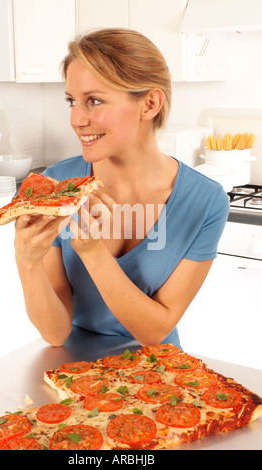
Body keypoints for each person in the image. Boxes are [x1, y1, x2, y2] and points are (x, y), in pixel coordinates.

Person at [14, 28, 229, 349]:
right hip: (68, 370)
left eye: (94, 101)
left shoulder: (205, 201)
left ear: (150, 103)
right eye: (72, 101)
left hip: (159, 374)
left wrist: (93, 252)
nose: (76, 119)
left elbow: (155, 332)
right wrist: (26, 261)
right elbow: (55, 333)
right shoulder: (57, 186)